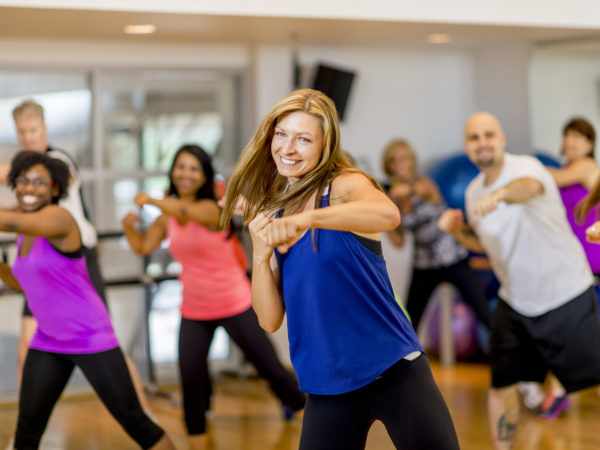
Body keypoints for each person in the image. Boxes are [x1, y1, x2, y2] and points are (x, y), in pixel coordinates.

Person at [220, 89, 459, 450]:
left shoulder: (345, 186)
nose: (287, 148)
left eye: (303, 139)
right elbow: (269, 320)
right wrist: (261, 252)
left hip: (393, 368)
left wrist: (310, 219)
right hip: (327, 384)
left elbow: (388, 214)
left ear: (324, 146)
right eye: (281, 135)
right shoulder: (278, 212)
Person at [121, 144, 306, 450]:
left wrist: (153, 200)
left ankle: (300, 410)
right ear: (173, 171)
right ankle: (197, 442)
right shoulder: (168, 215)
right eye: (181, 167)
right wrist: (128, 228)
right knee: (191, 383)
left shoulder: (214, 207)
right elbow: (143, 246)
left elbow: (187, 211)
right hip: (194, 308)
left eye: (194, 168)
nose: (186, 174)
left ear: (205, 175)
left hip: (234, 300)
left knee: (269, 367)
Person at [438, 111, 600, 450]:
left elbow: (528, 189)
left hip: (565, 295)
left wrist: (501, 195)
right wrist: (458, 231)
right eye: (474, 138)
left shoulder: (526, 168)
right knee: (501, 386)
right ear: (468, 147)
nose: (482, 143)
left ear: (501, 139)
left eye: (488, 135)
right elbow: (483, 242)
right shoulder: (472, 192)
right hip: (515, 304)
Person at [0, 151, 174, 450]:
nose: (29, 188)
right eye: (23, 181)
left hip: (89, 336)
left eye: (39, 182)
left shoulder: (59, 218)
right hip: (48, 339)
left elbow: (10, 220)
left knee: (134, 420)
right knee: (27, 429)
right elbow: (26, 286)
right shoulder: (26, 229)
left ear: (55, 189)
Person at [5, 99, 152, 414]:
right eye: (22, 132)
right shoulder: (28, 168)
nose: (28, 136)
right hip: (40, 262)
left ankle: (141, 410)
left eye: (32, 130)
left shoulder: (57, 162)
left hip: (75, 259)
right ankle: (24, 432)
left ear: (43, 129)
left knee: (107, 346)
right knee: (24, 351)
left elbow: (9, 175)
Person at [381, 139, 491, 331]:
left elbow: (419, 191)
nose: (399, 165)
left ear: (411, 161)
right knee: (408, 324)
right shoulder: (392, 201)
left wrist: (403, 191)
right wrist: (385, 210)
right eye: (394, 161)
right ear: (388, 166)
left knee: (484, 313)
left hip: (452, 258)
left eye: (404, 159)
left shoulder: (424, 184)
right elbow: (398, 242)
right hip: (424, 265)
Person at [537, 117, 600, 418]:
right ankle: (559, 390)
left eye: (578, 137)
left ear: (590, 145)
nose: (570, 142)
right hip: (574, 268)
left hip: (594, 266)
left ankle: (558, 391)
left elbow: (553, 178)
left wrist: (518, 171)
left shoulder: (586, 168)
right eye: (567, 135)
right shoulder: (564, 173)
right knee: (573, 331)